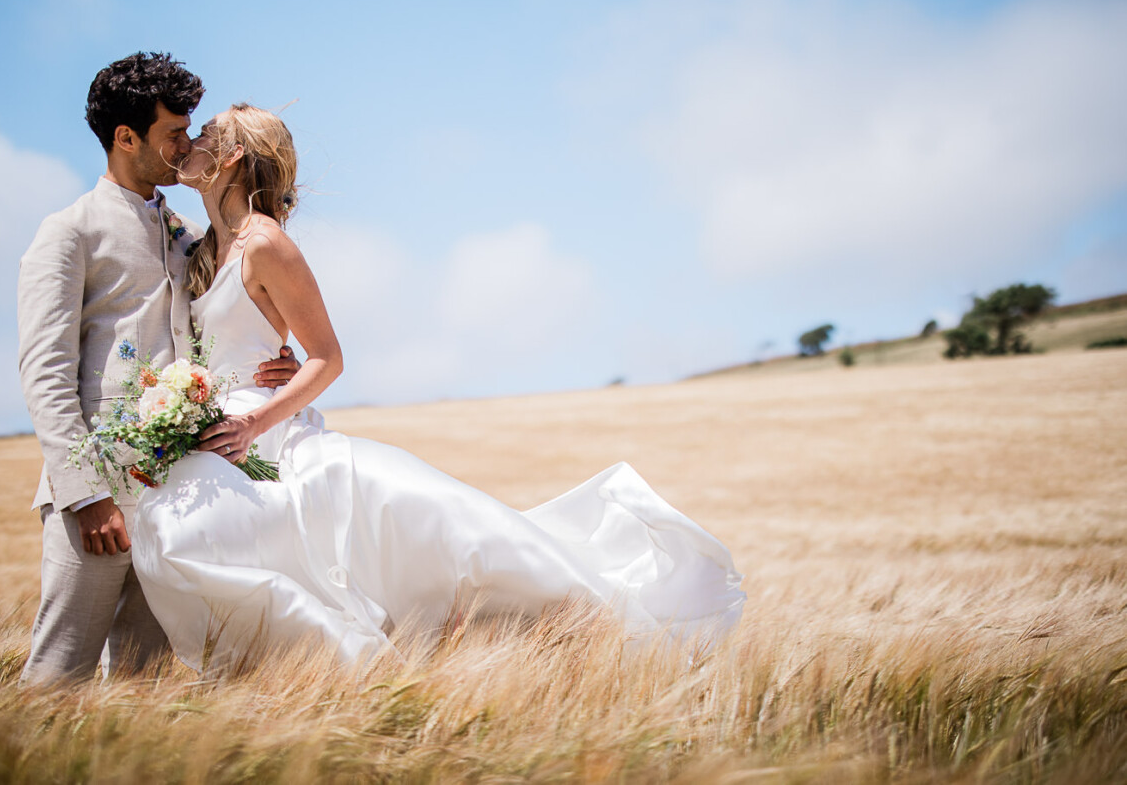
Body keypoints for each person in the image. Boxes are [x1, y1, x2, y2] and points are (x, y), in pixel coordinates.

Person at [130, 104, 746, 670]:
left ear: (233, 156)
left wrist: (254, 422)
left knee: (462, 540)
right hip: (220, 434)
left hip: (263, 435)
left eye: (205, 134)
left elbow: (328, 357)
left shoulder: (266, 244)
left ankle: (608, 624)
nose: (191, 141)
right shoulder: (202, 248)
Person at [16, 54, 301, 685]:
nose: (185, 146)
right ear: (125, 138)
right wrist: (86, 494)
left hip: (177, 492)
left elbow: (231, 308)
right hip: (96, 492)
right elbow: (46, 373)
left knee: (144, 683)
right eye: (173, 133)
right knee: (58, 672)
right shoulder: (69, 234)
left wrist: (276, 358)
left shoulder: (185, 232)